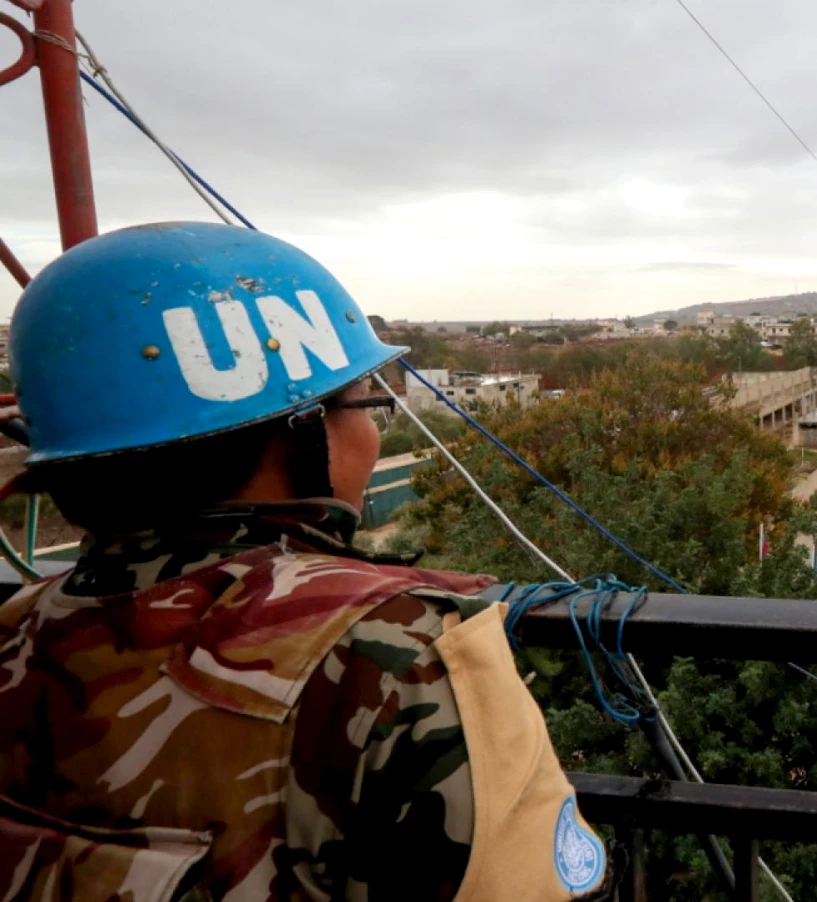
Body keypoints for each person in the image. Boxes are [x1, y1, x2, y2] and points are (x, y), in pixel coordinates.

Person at [0, 223, 607, 900]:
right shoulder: (396, 648)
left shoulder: (15, 629)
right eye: (364, 403)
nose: (372, 433)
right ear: (304, 432)